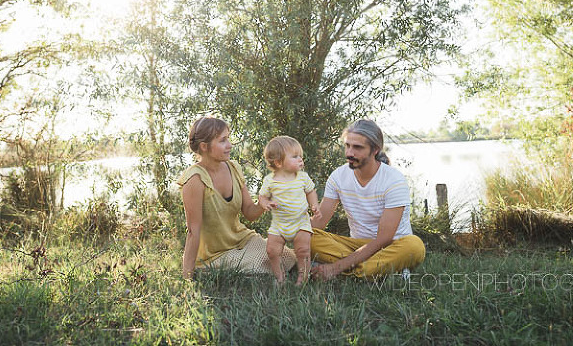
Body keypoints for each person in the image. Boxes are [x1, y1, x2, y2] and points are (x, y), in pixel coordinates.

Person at [180, 117, 296, 279]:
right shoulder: (195, 180)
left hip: (242, 240)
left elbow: (249, 212)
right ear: (204, 146)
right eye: (222, 141)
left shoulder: (233, 168)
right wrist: (187, 277)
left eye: (228, 138)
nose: (229, 145)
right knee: (262, 263)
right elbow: (193, 231)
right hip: (215, 254)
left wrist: (263, 201)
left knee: (285, 255)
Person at [310, 119, 426, 280]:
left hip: (391, 246)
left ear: (375, 150)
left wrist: (335, 267)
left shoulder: (394, 180)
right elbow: (319, 223)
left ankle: (345, 270)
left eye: (357, 147)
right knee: (307, 236)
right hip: (356, 246)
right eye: (347, 146)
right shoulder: (338, 176)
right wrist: (288, 225)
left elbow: (384, 239)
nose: (349, 153)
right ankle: (372, 270)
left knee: (414, 246)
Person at [258, 136, 322, 284]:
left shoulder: (302, 177)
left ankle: (303, 278)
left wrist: (314, 205)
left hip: (300, 222)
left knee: (303, 251)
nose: (300, 159)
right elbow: (262, 197)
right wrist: (266, 203)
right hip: (279, 224)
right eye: (295, 156)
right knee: (272, 251)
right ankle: (280, 277)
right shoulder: (270, 181)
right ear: (278, 162)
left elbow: (310, 191)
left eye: (300, 156)